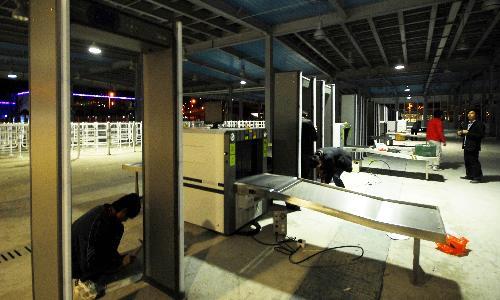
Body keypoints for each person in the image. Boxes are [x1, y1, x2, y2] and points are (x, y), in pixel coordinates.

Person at [72, 193, 142, 298]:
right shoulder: (103, 226)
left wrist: (118, 259)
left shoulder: (101, 210)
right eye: (127, 217)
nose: (125, 220)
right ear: (123, 211)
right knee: (125, 270)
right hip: (76, 265)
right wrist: (120, 263)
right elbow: (92, 261)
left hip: (75, 255)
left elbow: (104, 250)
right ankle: (88, 286)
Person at [457, 109, 485, 183]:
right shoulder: (467, 123)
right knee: (467, 161)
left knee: (474, 161)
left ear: (475, 115)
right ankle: (469, 175)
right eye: (468, 113)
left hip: (474, 146)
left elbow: (480, 135)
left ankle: (477, 177)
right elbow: (465, 133)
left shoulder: (479, 124)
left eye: (472, 113)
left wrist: (467, 132)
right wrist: (461, 133)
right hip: (466, 145)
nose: (469, 114)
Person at [301, 111, 318, 180]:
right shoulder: (308, 122)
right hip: (307, 150)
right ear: (305, 115)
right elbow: (315, 137)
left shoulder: (293, 122)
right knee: (306, 171)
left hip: (295, 150)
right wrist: (315, 130)